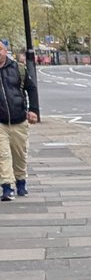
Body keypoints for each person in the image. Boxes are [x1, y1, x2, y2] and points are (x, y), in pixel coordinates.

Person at [0, 40, 40, 200]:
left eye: (0, 49)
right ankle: (7, 188)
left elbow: (31, 89)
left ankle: (21, 182)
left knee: (19, 154)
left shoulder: (18, 68)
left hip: (19, 118)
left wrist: (33, 110)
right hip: (0, 122)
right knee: (2, 155)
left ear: (5, 51)